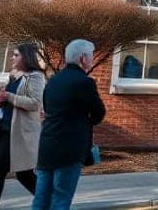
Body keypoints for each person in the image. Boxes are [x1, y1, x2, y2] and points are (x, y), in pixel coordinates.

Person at [32, 39, 105, 210]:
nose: (93, 59)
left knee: (41, 197)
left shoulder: (52, 81)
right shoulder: (85, 82)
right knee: (61, 198)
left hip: (47, 144)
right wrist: (84, 121)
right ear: (82, 58)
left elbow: (47, 108)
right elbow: (99, 113)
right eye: (91, 56)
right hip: (70, 147)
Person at [0, 43, 47, 210]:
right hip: (5, 130)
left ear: (25, 57)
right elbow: (4, 100)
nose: (12, 58)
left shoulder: (36, 77)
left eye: (16, 55)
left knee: (23, 174)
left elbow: (34, 103)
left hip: (21, 133)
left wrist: (9, 96)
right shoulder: (13, 75)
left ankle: (50, 200)